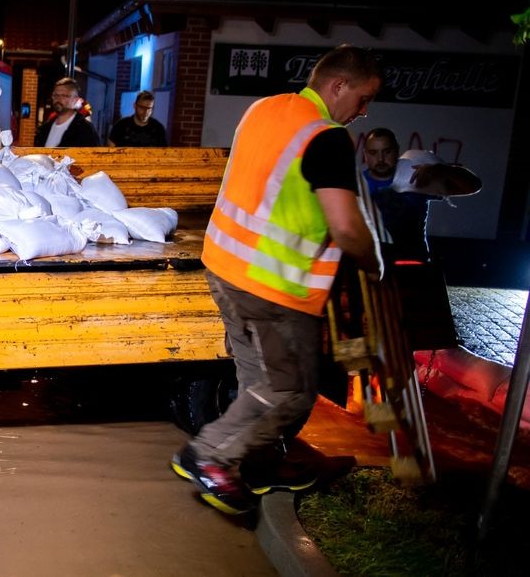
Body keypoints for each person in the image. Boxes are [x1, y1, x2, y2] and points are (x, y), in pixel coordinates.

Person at [173, 44, 384, 515]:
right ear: (338, 85)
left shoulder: (263, 109)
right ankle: (211, 457)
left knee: (258, 380)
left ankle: (256, 462)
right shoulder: (326, 138)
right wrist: (375, 262)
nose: (364, 111)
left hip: (225, 267)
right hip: (274, 288)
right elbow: (347, 227)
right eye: (364, 97)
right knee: (291, 389)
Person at [361, 127, 480, 262]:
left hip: (413, 264)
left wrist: (443, 170)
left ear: (397, 150)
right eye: (373, 153)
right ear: (365, 154)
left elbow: (474, 186)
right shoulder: (355, 184)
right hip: (370, 264)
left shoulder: (415, 175)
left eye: (387, 151)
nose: (380, 159)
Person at [33, 77, 100, 147]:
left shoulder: (85, 129)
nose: (58, 99)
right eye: (56, 95)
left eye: (64, 95)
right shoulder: (45, 128)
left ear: (75, 99)